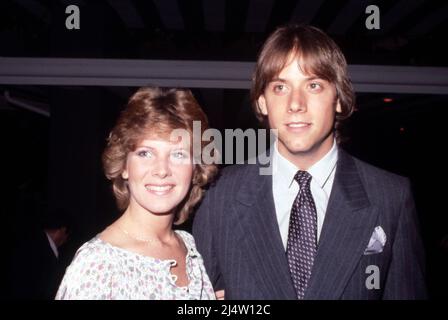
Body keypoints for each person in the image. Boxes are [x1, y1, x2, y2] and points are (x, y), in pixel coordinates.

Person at [193, 24, 427, 299]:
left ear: (338, 98)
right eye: (280, 87)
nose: (295, 104)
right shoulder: (220, 195)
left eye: (313, 85)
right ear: (262, 103)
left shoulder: (390, 197)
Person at [56, 87, 218, 299]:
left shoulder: (191, 248)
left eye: (178, 154)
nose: (162, 170)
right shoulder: (98, 266)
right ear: (124, 166)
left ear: (195, 168)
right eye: (145, 153)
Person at [10, 209, 71, 299]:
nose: (65, 241)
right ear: (62, 230)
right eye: (67, 237)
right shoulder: (46, 254)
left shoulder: (26, 240)